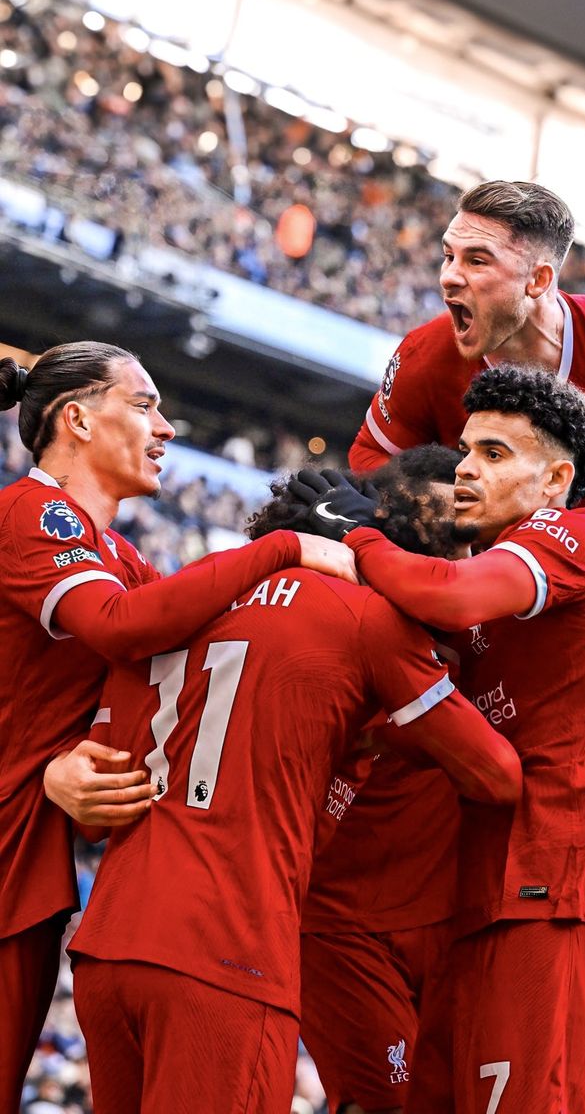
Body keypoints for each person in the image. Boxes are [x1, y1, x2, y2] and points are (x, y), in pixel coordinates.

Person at [62, 461, 521, 1114]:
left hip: (109, 951)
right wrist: (390, 734)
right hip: (231, 956)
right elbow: (497, 775)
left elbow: (92, 817)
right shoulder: (367, 618)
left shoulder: (173, 604)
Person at [0, 341, 354, 1110]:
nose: (166, 425)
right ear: (78, 420)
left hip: (29, 852)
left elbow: (177, 664)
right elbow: (121, 627)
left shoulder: (124, 556)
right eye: (144, 403)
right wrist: (285, 546)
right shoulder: (35, 511)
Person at [297, 363, 585, 1113]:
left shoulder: (572, 533)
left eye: (493, 454)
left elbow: (445, 596)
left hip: (558, 900)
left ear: (555, 479)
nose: (465, 470)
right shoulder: (496, 589)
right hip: (486, 901)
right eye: (466, 450)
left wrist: (354, 531)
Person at [349, 179, 585, 645]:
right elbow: (370, 458)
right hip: (491, 598)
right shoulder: (425, 356)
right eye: (448, 255)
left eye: (476, 260)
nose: (449, 276)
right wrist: (434, 514)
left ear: (538, 280)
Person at [299, 444, 463, 1114]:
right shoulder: (344, 621)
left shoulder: (503, 617)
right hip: (340, 925)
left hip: (455, 921)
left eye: (460, 537)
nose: (447, 556)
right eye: (424, 537)